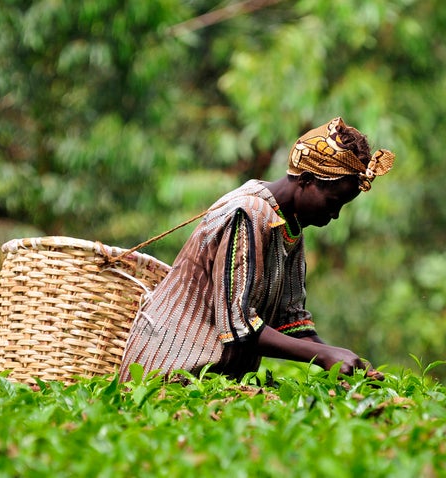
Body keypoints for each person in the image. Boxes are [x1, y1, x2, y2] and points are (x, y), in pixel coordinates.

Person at [119, 117, 394, 381]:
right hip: (167, 375)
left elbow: (292, 320)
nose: (335, 214)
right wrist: (324, 354)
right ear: (307, 180)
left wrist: (344, 362)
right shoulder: (248, 213)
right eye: (333, 201)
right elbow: (239, 327)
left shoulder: (289, 224)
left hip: (213, 378)